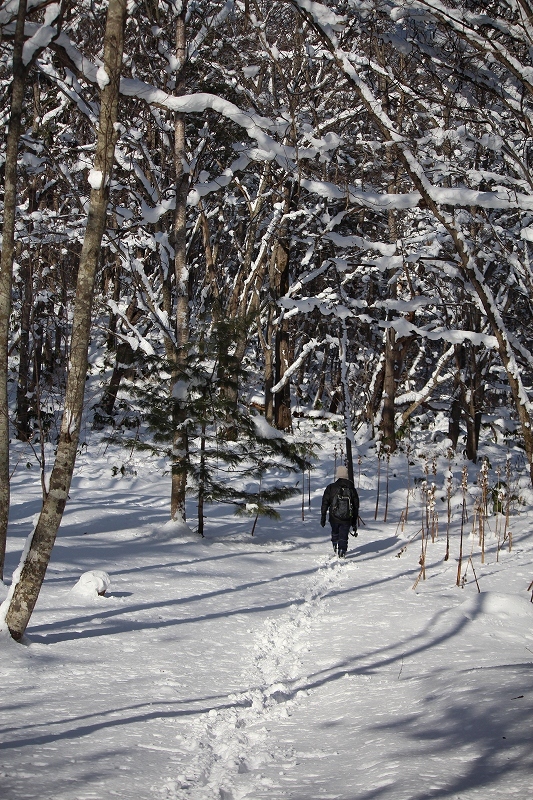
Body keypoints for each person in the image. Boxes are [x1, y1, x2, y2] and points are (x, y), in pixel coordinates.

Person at [320, 465, 359, 558]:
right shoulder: (351, 488)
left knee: (335, 531)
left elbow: (325, 503)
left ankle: (334, 543)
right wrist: (354, 521)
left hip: (334, 516)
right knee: (344, 534)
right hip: (347, 517)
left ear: (337, 475)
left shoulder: (331, 487)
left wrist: (323, 516)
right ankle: (342, 550)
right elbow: (356, 506)